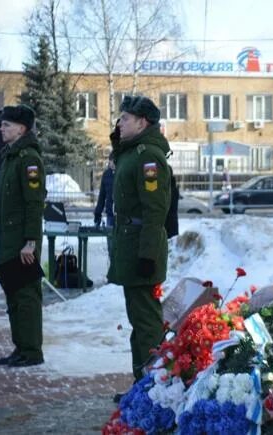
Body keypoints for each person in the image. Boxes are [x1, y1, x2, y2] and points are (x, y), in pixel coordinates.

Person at [107, 96, 171, 386]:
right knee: (139, 320)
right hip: (130, 245)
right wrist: (118, 143)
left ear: (142, 123)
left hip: (141, 249)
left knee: (146, 323)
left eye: (125, 119)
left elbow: (155, 210)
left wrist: (147, 256)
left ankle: (154, 386)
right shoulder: (133, 152)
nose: (119, 123)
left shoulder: (148, 157)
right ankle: (142, 384)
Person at [0, 104, 47, 367]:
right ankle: (21, 347)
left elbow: (33, 203)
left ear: (21, 128)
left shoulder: (28, 159)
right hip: (9, 240)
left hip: (22, 243)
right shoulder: (11, 157)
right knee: (14, 295)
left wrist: (30, 242)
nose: (1, 128)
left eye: (6, 125)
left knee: (26, 296)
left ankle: (31, 350)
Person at [94, 150, 116, 254]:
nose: (112, 164)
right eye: (111, 161)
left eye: (114, 161)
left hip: (121, 215)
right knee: (111, 246)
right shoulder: (107, 175)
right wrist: (98, 213)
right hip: (110, 215)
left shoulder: (122, 173)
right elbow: (102, 196)